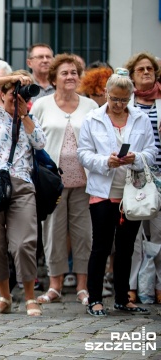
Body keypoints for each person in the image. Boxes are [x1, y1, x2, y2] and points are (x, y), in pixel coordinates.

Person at [78, 69, 157, 317]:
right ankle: (95, 299)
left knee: (126, 247)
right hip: (103, 191)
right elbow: (83, 153)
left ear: (131, 97)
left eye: (124, 100)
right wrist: (105, 162)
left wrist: (136, 158)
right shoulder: (92, 119)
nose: (119, 105)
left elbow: (152, 151)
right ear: (106, 94)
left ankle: (123, 297)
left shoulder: (141, 119)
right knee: (101, 246)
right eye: (115, 99)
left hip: (131, 192)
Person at [0, 71, 47, 316]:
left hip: (21, 186)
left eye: (20, 94)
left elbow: (40, 143)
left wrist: (24, 115)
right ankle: (4, 296)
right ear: (1, 94)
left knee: (24, 243)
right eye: (12, 93)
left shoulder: (28, 117)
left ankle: (30, 297)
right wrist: (10, 77)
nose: (16, 97)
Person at [30, 54, 98, 306]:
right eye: (65, 73)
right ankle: (55, 286)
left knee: (84, 235)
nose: (70, 77)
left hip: (84, 181)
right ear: (54, 78)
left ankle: (83, 287)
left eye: (74, 72)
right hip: (52, 184)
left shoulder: (90, 106)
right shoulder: (42, 105)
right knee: (53, 234)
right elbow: (32, 140)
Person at [125, 52, 161, 303]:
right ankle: (132, 286)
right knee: (134, 234)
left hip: (159, 174)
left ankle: (157, 284)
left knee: (158, 233)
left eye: (150, 68)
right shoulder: (126, 102)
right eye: (141, 69)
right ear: (132, 75)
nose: (147, 72)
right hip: (133, 176)